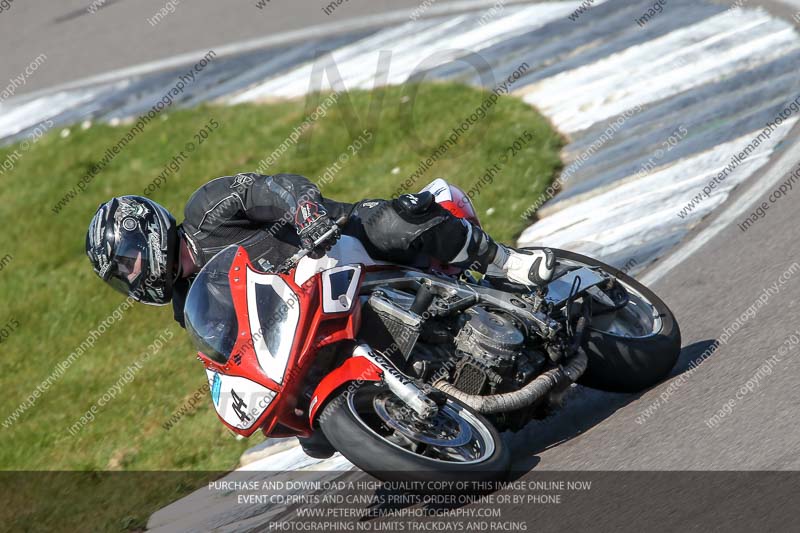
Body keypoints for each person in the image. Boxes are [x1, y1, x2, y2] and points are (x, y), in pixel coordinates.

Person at [85, 172, 554, 456]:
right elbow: (225, 354)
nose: (132, 277)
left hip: (336, 249)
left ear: (146, 234)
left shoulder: (207, 210)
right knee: (314, 438)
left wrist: (306, 212)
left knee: (393, 222)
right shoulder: (185, 302)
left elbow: (273, 187)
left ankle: (507, 261)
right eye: (120, 276)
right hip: (303, 325)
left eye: (128, 262)